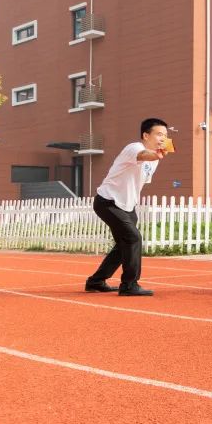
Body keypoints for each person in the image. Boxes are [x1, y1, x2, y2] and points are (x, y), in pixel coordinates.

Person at [85, 118, 170, 297]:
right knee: (133, 238)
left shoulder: (155, 160)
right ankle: (129, 285)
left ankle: (96, 281)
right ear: (146, 135)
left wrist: (157, 156)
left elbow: (139, 179)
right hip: (108, 201)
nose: (163, 138)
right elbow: (143, 156)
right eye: (159, 134)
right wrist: (157, 154)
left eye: (166, 135)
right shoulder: (134, 148)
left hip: (127, 206)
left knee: (123, 245)